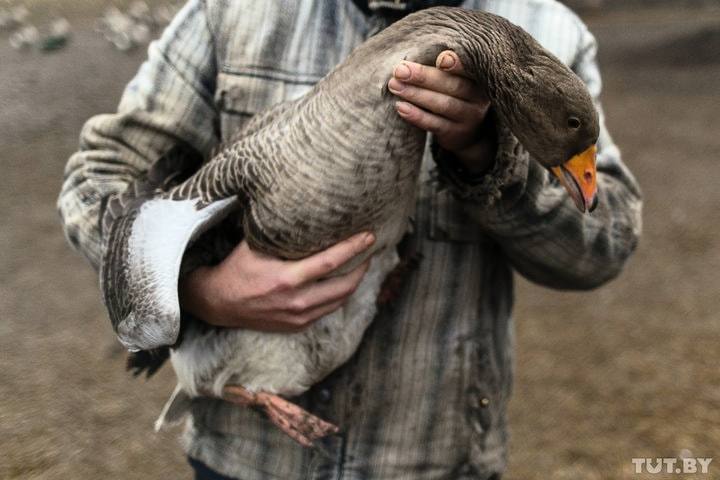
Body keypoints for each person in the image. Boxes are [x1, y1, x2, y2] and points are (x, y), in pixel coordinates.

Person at [57, 0, 642, 478]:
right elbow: (100, 178)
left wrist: (488, 155)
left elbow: (602, 243)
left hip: (437, 457)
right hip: (247, 461)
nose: (580, 164)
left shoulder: (549, 29)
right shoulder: (232, 11)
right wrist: (196, 290)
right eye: (573, 136)